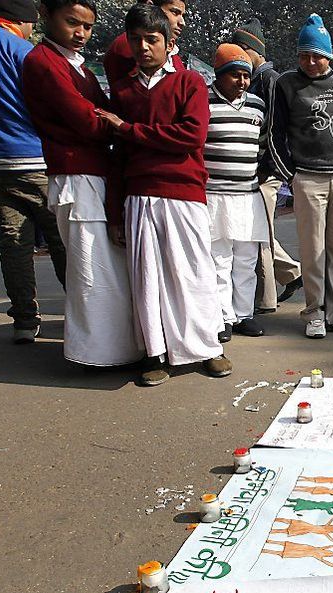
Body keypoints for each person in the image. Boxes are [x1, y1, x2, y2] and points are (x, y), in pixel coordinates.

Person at [97, 4, 231, 385]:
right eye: (136, 40)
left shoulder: (189, 83)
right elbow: (118, 157)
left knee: (194, 273)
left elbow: (192, 136)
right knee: (147, 278)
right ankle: (155, 353)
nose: (143, 47)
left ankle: (209, 348)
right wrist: (115, 213)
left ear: (168, 41)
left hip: (184, 193)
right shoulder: (122, 91)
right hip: (138, 195)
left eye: (151, 39)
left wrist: (131, 130)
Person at [22, 0, 142, 366]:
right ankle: (95, 353)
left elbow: (102, 111)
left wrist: (110, 119)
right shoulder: (43, 62)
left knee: (106, 264)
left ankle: (117, 349)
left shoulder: (76, 65)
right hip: (76, 173)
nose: (81, 33)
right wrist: (113, 123)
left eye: (87, 27)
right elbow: (88, 121)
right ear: (46, 15)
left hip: (92, 170)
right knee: (90, 268)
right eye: (72, 22)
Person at [0, 0, 67, 344]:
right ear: (19, 21)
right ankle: (81, 315)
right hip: (35, 160)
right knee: (61, 239)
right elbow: (50, 103)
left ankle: (24, 320)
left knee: (13, 243)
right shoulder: (21, 50)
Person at [268, 13, 333, 339]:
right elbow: (275, 134)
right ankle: (314, 314)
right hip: (308, 177)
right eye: (303, 54)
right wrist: (291, 176)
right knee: (312, 250)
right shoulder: (286, 84)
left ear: (329, 56)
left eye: (316, 55)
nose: (309, 61)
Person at [229, 17, 304, 312]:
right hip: (255, 169)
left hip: (265, 170)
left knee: (258, 235)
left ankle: (265, 300)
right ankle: (291, 274)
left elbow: (273, 130)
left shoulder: (269, 81)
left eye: (238, 49)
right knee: (259, 232)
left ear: (248, 48)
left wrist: (269, 169)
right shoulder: (257, 80)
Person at [204, 43, 269, 343]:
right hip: (214, 195)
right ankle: (222, 316)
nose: (242, 82)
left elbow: (264, 145)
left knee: (246, 259)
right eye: (235, 75)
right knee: (219, 259)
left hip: (248, 195)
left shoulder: (257, 104)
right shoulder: (203, 101)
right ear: (219, 75)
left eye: (246, 75)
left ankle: (244, 314)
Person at [103, 0, 186, 83]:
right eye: (175, 12)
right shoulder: (127, 47)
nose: (182, 22)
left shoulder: (173, 56)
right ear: (149, 6)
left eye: (183, 15)